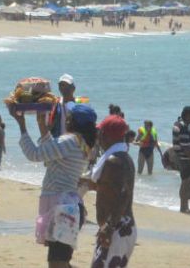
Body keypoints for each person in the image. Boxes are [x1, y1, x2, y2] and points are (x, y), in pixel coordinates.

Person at [9, 102, 98, 268]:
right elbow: (52, 150)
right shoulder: (79, 143)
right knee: (60, 261)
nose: (66, 119)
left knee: (57, 262)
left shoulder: (69, 141)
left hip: (62, 208)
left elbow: (34, 154)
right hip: (68, 206)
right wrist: (42, 125)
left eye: (69, 117)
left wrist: (22, 126)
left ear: (73, 121)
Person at [87, 115, 137, 268]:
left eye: (101, 132)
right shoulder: (124, 157)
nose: (99, 136)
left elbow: (123, 194)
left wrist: (109, 226)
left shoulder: (113, 161)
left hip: (117, 227)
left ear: (107, 135)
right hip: (119, 225)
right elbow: (110, 188)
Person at [172, 105, 190, 213]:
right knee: (185, 182)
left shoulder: (184, 124)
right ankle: (183, 206)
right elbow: (185, 145)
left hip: (186, 157)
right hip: (185, 158)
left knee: (186, 182)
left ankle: (184, 205)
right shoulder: (182, 126)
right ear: (187, 115)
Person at [47, 74, 77, 138]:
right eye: (61, 85)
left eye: (67, 86)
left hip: (75, 142)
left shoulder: (79, 104)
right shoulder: (56, 104)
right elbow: (48, 127)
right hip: (60, 143)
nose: (64, 88)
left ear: (73, 88)